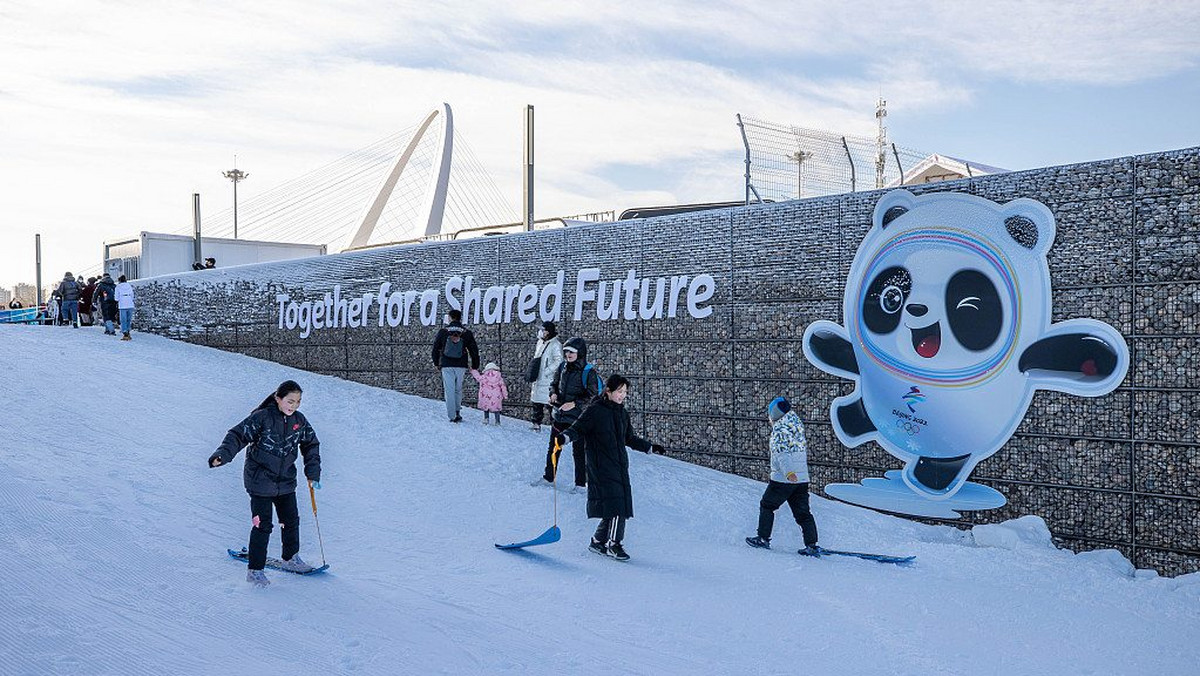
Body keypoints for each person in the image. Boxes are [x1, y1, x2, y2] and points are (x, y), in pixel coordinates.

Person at [208, 380, 322, 587]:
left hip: (286, 481)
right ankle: (255, 571)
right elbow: (238, 435)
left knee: (291, 521)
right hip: (260, 481)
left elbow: (311, 444)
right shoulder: (262, 418)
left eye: (297, 402)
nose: (293, 406)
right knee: (263, 525)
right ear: (278, 399)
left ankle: (291, 558)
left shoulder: (299, 420)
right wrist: (223, 455)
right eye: (289, 401)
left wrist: (312, 473)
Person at [560, 374, 665, 561]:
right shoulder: (595, 411)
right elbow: (578, 428)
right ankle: (614, 544)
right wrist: (565, 437)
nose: (622, 395)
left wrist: (649, 447)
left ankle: (597, 541)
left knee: (613, 504)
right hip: (600, 466)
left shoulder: (622, 413)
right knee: (618, 507)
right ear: (608, 391)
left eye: (625, 392)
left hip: (619, 464)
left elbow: (629, 438)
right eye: (619, 391)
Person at [745, 397, 819, 555]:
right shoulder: (797, 428)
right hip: (802, 479)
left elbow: (782, 454)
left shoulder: (779, 431)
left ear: (775, 414)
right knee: (803, 513)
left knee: (767, 505)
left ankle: (763, 538)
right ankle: (811, 545)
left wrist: (789, 473)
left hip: (783, 479)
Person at [536, 337, 600, 490]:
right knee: (554, 447)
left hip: (578, 419)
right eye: (566, 352)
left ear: (580, 352)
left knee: (579, 452)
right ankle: (549, 477)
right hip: (560, 414)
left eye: (571, 351)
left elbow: (592, 395)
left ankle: (580, 484)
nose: (568, 355)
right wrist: (553, 394)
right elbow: (554, 384)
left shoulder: (589, 372)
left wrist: (575, 403)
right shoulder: (562, 367)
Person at [431, 309, 480, 423]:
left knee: (449, 390)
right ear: (460, 318)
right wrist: (475, 365)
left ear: (450, 318)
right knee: (458, 389)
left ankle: (452, 416)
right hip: (461, 365)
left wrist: (436, 362)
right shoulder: (466, 332)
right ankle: (458, 411)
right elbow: (473, 350)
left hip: (447, 365)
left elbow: (435, 348)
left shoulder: (443, 331)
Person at [528, 321, 563, 432]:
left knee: (550, 403)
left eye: (544, 330)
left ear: (548, 331)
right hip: (538, 376)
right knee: (536, 401)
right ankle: (536, 423)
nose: (542, 332)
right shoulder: (540, 342)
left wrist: (547, 371)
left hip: (548, 378)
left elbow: (559, 360)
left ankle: (555, 426)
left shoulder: (556, 344)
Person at [115, 275, 135, 340]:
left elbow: (116, 298)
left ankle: (125, 333)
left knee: (123, 319)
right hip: (130, 304)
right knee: (128, 319)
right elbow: (132, 295)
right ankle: (128, 331)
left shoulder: (118, 286)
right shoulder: (129, 285)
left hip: (122, 304)